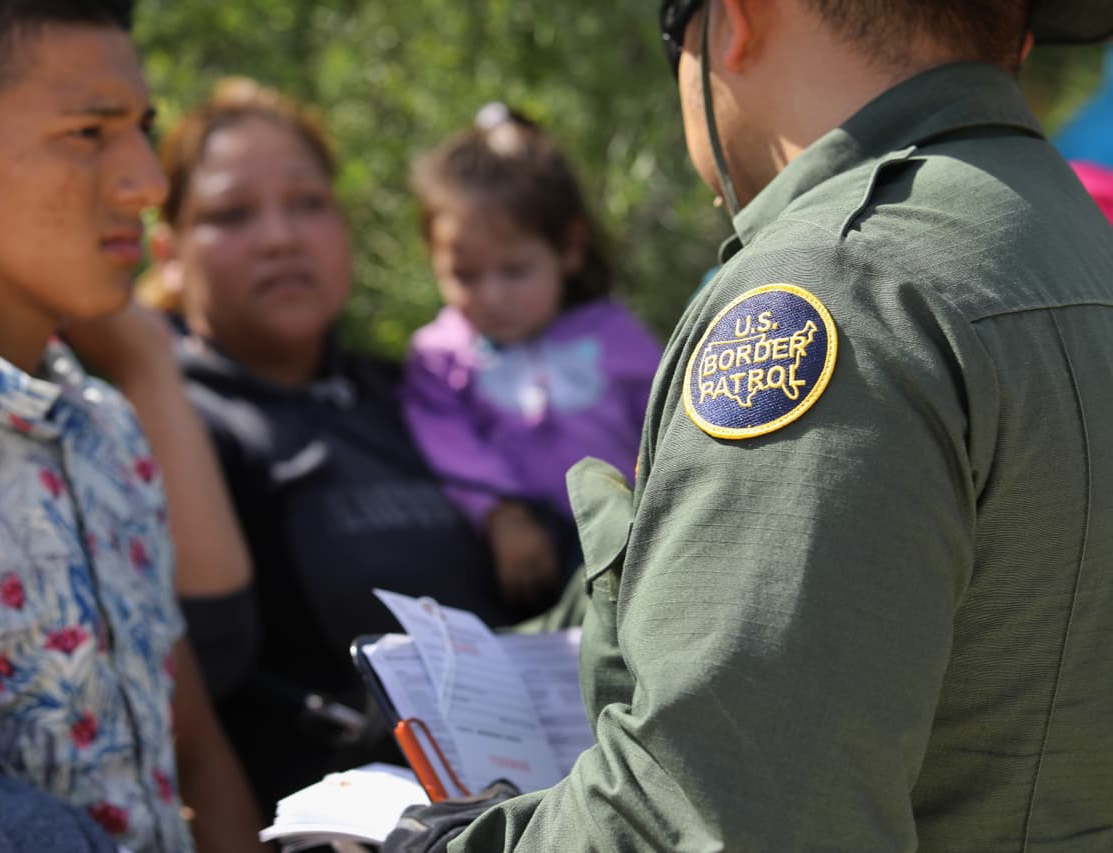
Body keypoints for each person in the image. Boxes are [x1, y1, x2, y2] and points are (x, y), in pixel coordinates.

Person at [385, 1, 1113, 850]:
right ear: (1014, 32)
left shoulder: (839, 288)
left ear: (735, 23)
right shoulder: (1075, 239)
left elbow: (720, 816)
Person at [0, 2, 264, 850]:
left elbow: (193, 753)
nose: (148, 183)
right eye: (87, 133)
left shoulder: (101, 425)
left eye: (142, 128)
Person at [148, 77, 517, 813]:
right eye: (232, 213)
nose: (281, 237)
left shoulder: (419, 396)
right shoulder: (172, 426)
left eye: (309, 202)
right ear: (169, 255)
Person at [403, 105, 662, 611]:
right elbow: (451, 448)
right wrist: (500, 513)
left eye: (515, 271)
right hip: (511, 552)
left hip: (628, 535)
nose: (491, 296)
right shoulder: (439, 356)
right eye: (464, 275)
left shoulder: (615, 334)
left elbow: (663, 425)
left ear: (569, 248)